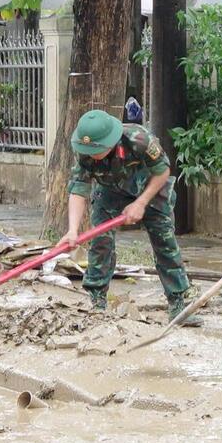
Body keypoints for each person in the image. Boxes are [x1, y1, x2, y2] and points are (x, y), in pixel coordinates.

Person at [63, 108, 200, 326]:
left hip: (151, 189)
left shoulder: (139, 139)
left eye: (95, 149)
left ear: (110, 141)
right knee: (101, 242)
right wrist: (72, 230)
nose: (90, 153)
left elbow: (162, 171)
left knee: (165, 242)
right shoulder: (85, 152)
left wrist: (141, 202)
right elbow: (78, 190)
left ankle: (177, 303)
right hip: (110, 191)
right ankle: (97, 301)